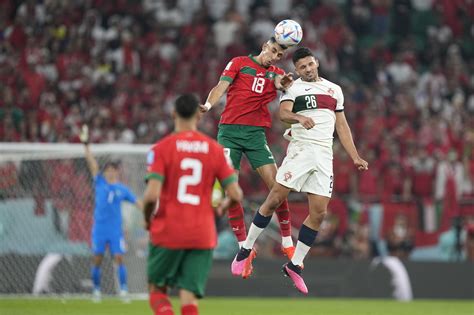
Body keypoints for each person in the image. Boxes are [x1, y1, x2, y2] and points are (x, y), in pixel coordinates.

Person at [231, 47, 369, 293]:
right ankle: (246, 248)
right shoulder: (293, 87)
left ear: (316, 62)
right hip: (301, 149)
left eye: (309, 64)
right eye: (302, 67)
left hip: (324, 154)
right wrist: (299, 118)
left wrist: (355, 156)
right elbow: (283, 114)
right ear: (297, 70)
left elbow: (342, 126)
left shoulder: (334, 90)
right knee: (274, 198)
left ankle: (295, 265)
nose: (307, 69)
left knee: (319, 213)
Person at [200, 37, 295, 271]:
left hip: (255, 136)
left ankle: (286, 241)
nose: (273, 56)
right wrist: (208, 105)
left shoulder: (276, 73)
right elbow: (220, 87)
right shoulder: (239, 63)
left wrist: (283, 83)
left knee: (278, 186)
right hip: (229, 133)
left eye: (278, 55)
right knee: (230, 189)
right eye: (272, 50)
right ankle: (244, 246)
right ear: (265, 46)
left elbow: (278, 82)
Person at [143, 94, 243, 315]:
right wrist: (221, 208)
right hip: (202, 232)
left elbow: (151, 197)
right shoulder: (214, 150)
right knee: (188, 298)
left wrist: (146, 219)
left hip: (169, 229)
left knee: (157, 290)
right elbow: (236, 194)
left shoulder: (161, 149)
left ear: (173, 114)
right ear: (199, 116)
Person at [80, 125, 142, 302]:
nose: (110, 172)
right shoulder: (99, 182)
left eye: (113, 169)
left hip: (115, 230)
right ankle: (96, 291)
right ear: (105, 171)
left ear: (117, 172)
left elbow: (137, 202)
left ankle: (123, 290)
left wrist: (149, 211)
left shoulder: (122, 189)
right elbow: (91, 163)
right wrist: (86, 145)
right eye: (108, 169)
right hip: (100, 228)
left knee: (119, 258)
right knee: (97, 259)